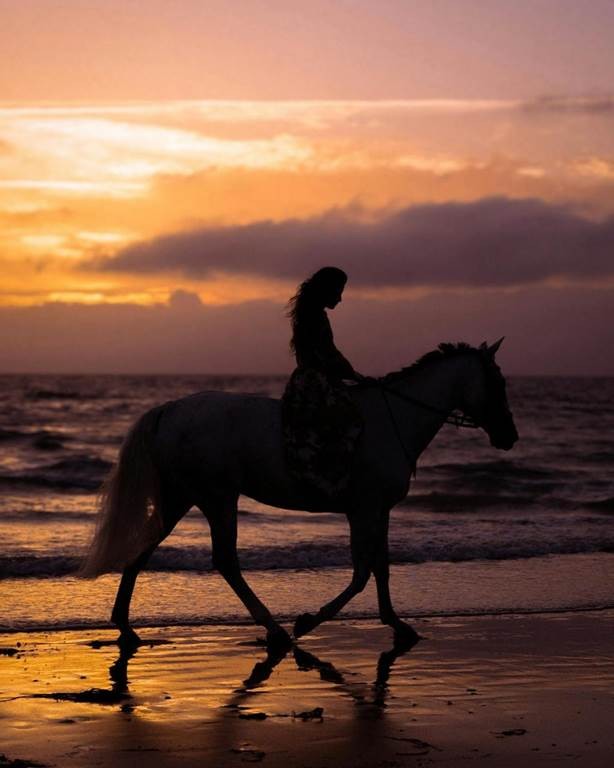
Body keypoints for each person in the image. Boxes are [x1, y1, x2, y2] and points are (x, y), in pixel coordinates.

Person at [282, 266, 365, 496]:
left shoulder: (312, 313)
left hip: (314, 377)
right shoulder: (314, 316)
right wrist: (352, 373)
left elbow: (328, 352)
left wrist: (350, 372)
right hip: (314, 381)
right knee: (348, 417)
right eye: (338, 291)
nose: (340, 298)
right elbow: (326, 353)